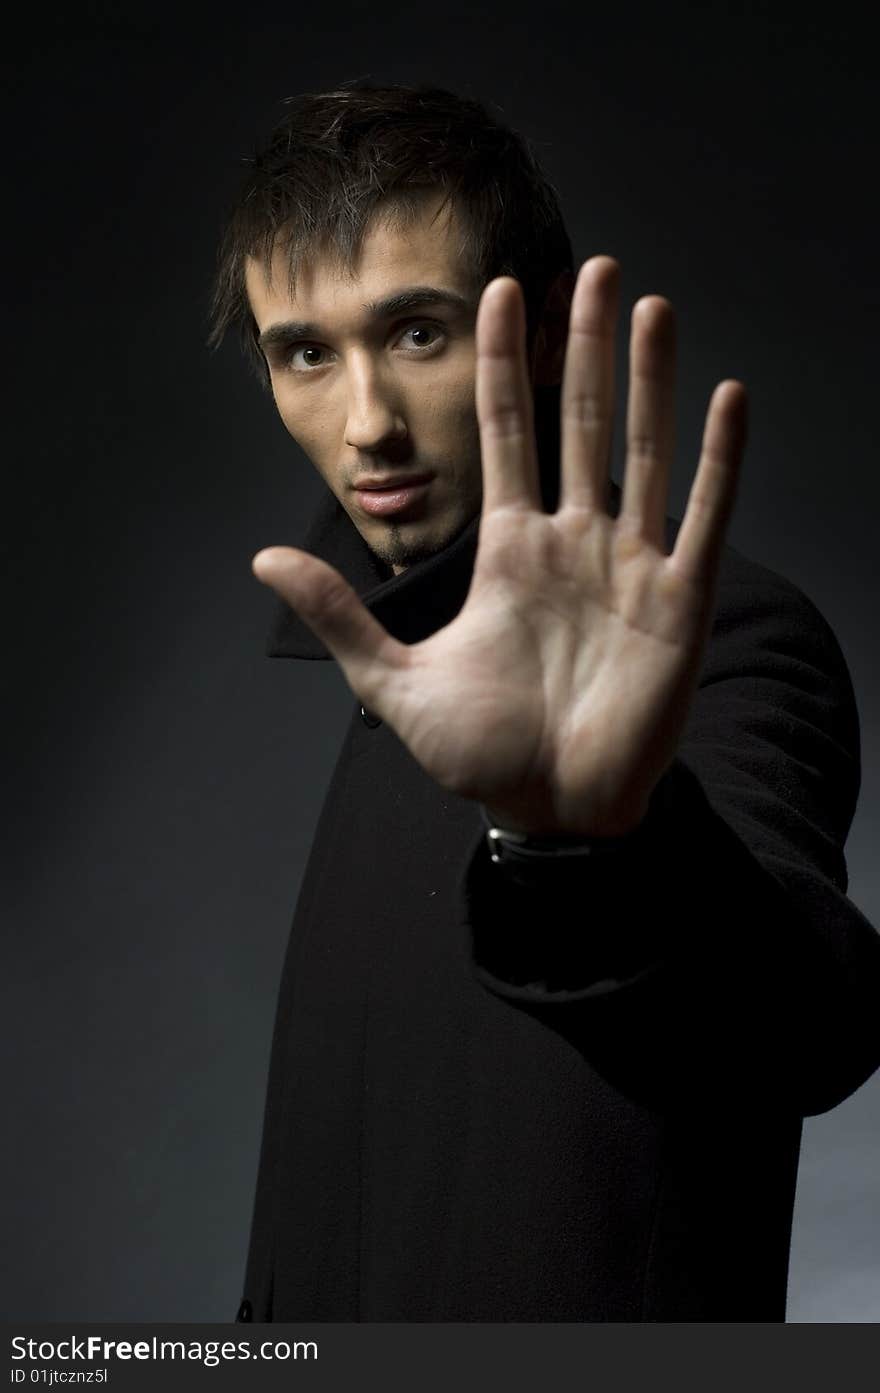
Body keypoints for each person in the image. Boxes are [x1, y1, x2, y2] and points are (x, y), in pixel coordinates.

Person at [207, 81, 880, 1322]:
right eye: (306, 352)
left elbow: (810, 1022)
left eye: (417, 332)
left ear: (549, 334)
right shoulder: (387, 667)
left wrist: (585, 841)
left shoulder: (731, 633)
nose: (365, 424)